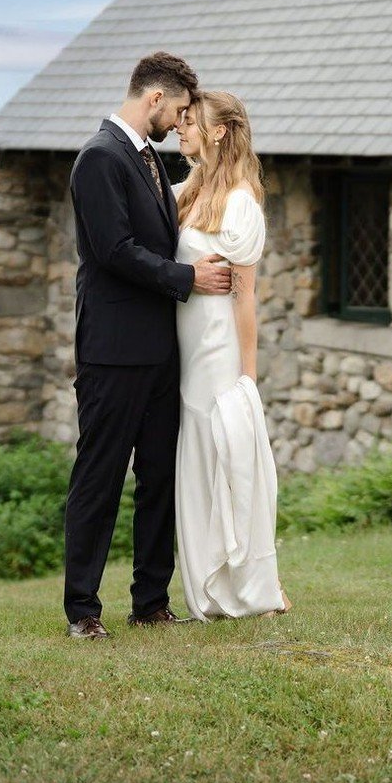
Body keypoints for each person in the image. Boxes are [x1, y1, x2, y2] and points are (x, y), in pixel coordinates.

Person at [63, 53, 234, 639]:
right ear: (155, 98)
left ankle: (151, 602)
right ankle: (83, 611)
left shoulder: (150, 160)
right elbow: (113, 250)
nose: (181, 121)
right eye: (180, 110)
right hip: (112, 352)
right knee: (100, 478)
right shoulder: (99, 158)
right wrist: (188, 279)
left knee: (160, 477)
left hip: (162, 351)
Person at [172, 91, 291, 619]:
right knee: (197, 464)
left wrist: (248, 379)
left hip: (218, 351)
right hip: (186, 350)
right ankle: (208, 585)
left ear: (219, 131)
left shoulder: (241, 202)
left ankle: (253, 585)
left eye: (190, 121)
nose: (180, 128)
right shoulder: (189, 190)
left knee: (228, 458)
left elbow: (245, 297)